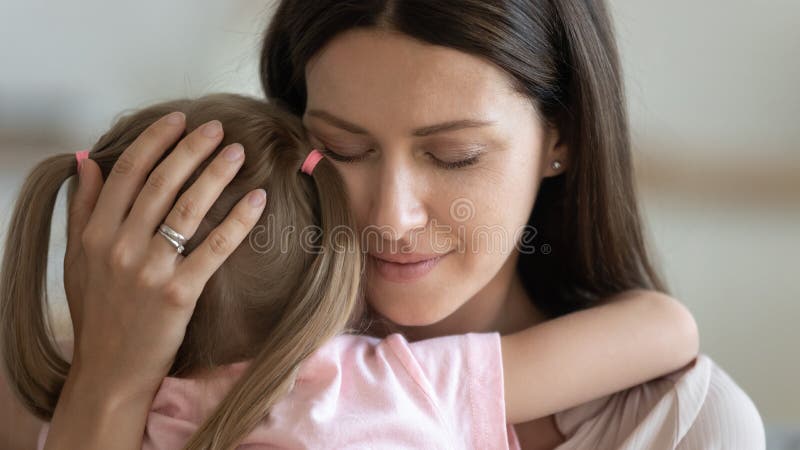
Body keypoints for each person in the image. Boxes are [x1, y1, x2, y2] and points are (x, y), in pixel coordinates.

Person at [3, 0, 767, 448]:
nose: (391, 216)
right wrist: (107, 385)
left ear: (560, 137)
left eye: (456, 155)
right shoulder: (64, 387)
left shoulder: (680, 424)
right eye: (343, 148)